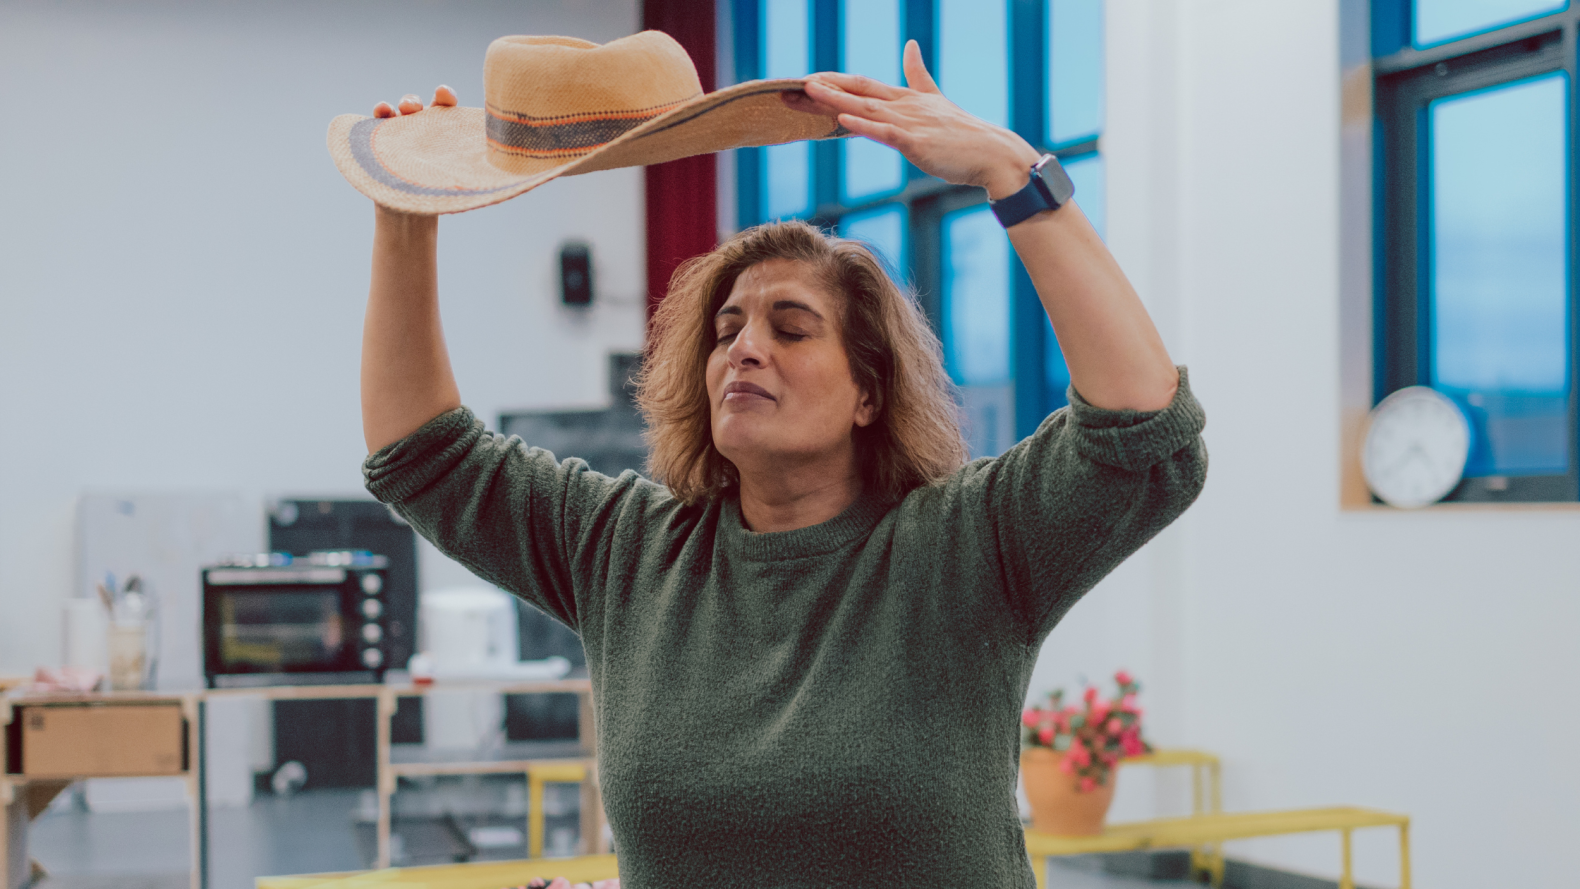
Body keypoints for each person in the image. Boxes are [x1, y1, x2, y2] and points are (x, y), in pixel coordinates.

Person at [360, 41, 1204, 889]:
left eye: (791, 328)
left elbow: (1142, 430)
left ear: (869, 391)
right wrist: (405, 220)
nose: (746, 350)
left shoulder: (964, 546)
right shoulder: (626, 548)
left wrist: (1011, 170)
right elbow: (425, 455)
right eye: (727, 331)